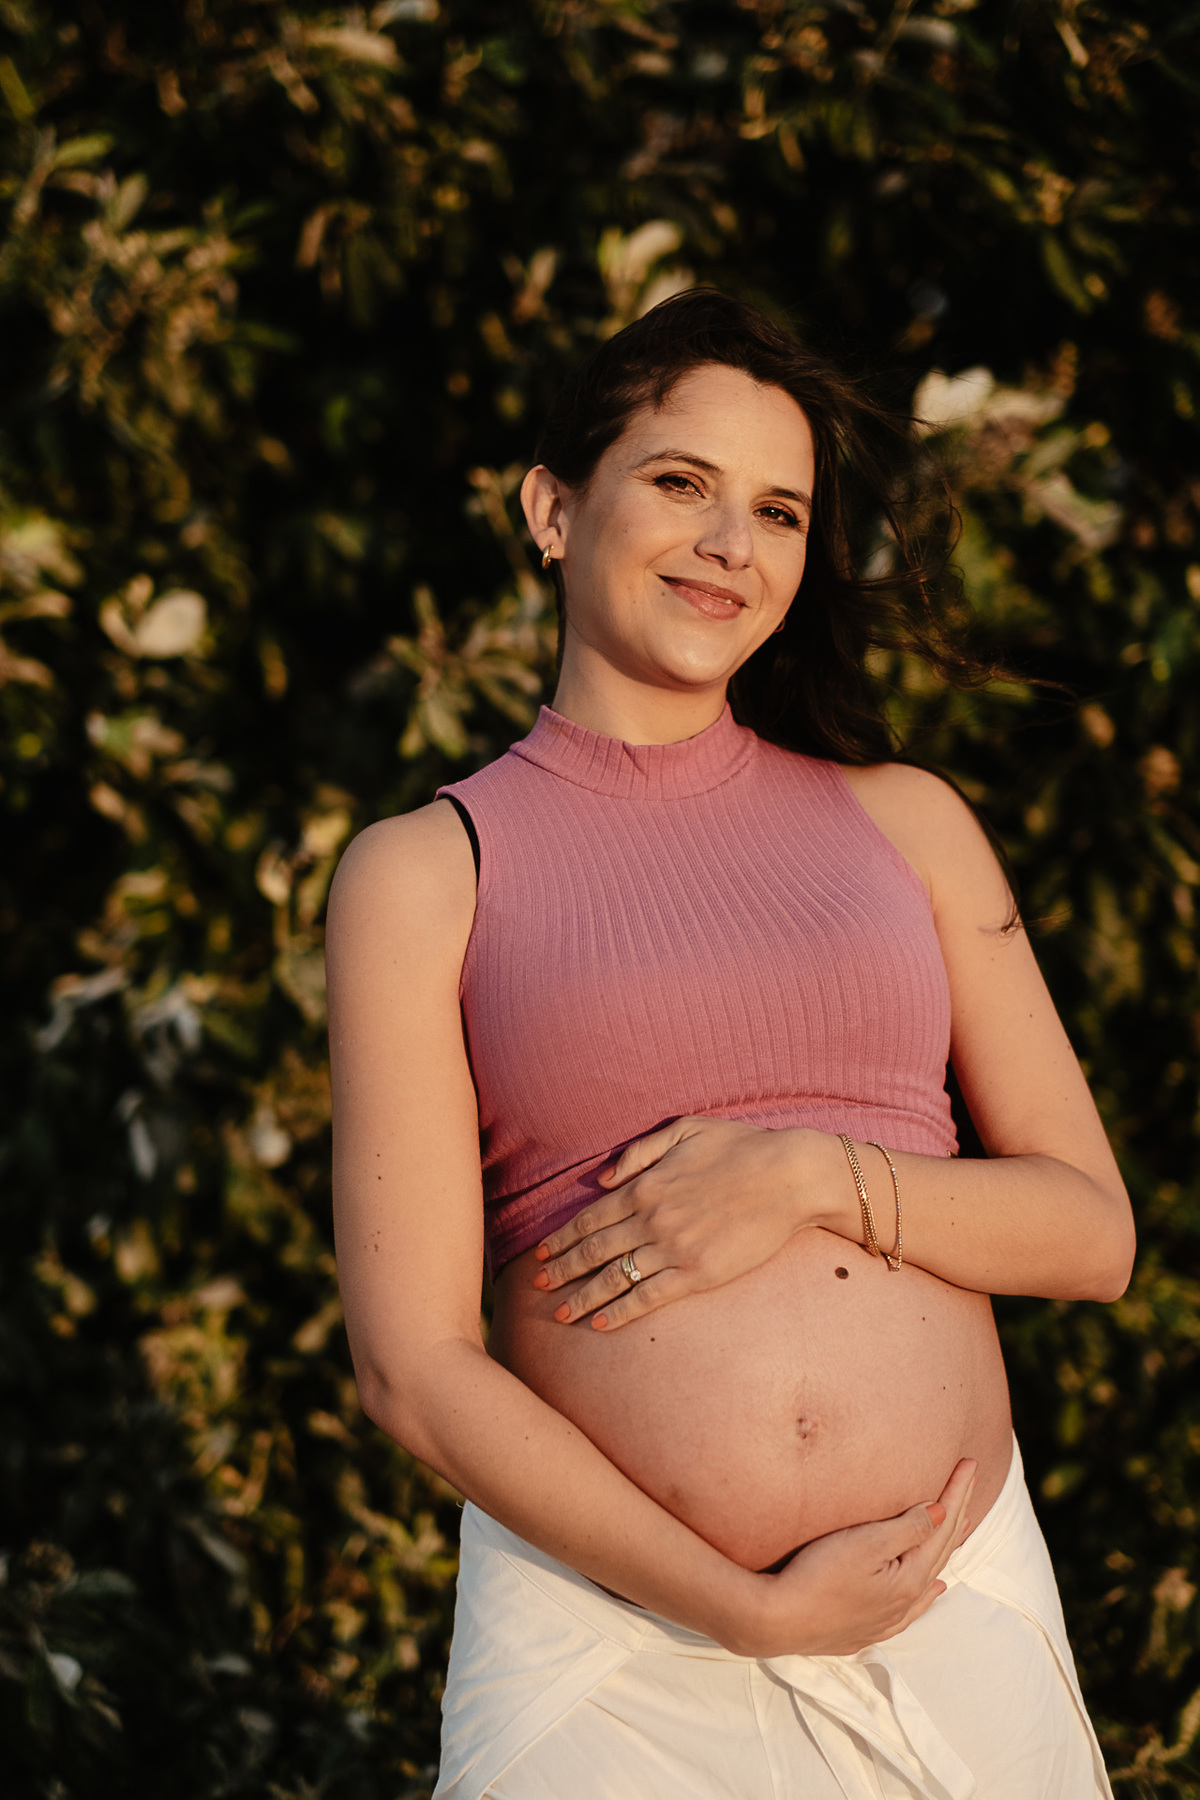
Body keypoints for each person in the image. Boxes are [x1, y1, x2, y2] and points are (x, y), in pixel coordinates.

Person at [326, 290, 1134, 1799]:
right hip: (608, 1651)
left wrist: (816, 1178)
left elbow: (1095, 1234)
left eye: (777, 509)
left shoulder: (909, 824)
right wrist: (747, 1610)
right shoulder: (426, 872)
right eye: (682, 483)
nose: (730, 545)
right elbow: (413, 1366)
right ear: (554, 508)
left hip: (945, 1605)